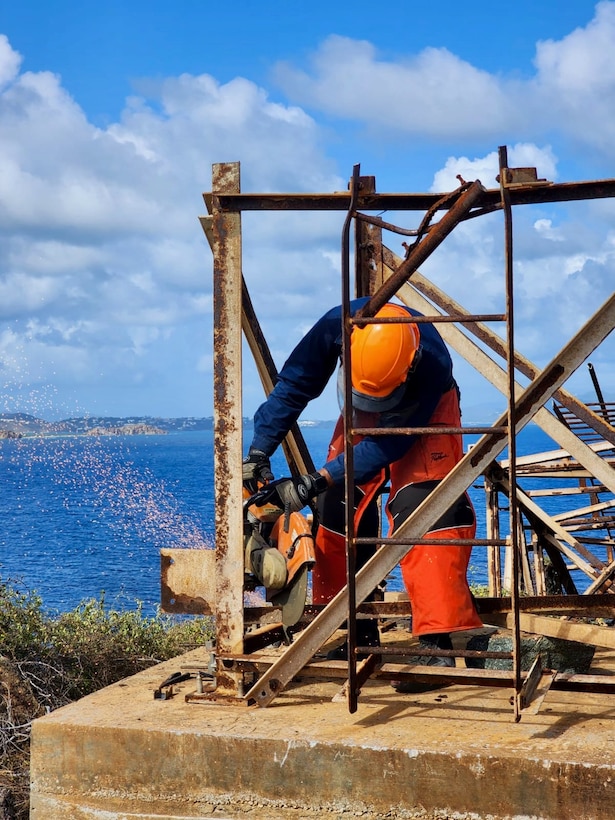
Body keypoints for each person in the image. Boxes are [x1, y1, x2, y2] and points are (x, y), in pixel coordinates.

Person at [243, 297, 482, 690]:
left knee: (424, 507)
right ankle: (356, 632)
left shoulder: (432, 364)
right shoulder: (335, 324)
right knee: (336, 506)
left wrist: (315, 478)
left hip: (425, 412)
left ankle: (437, 644)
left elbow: (387, 448)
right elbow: (294, 384)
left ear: (409, 365)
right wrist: (259, 449)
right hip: (362, 401)